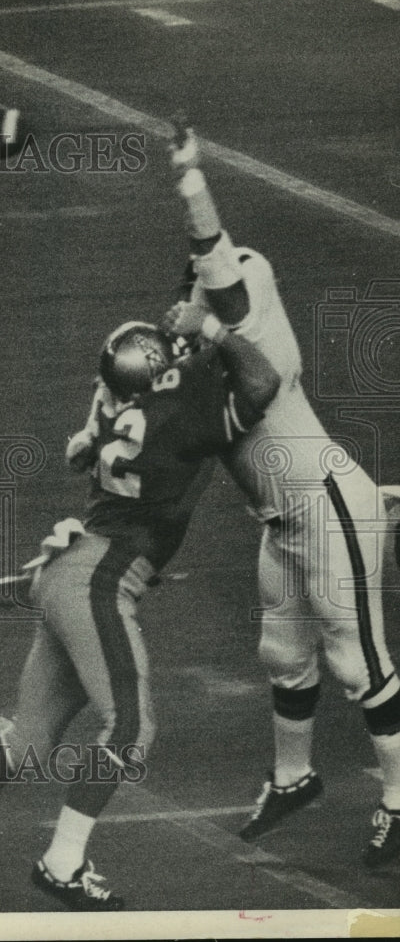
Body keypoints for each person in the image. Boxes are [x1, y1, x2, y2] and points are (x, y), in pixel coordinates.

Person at [0, 312, 281, 910]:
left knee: (31, 736)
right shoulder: (179, 412)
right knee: (131, 729)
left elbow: (92, 441)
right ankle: (62, 862)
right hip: (99, 580)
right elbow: (262, 382)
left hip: (70, 567)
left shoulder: (119, 409)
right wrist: (215, 332)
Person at [165, 125, 400, 867]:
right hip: (285, 520)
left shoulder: (250, 329)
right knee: (282, 654)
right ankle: (293, 775)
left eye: (211, 294)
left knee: (358, 661)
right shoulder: (225, 332)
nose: (199, 298)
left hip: (327, 506)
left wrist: (190, 177)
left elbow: (215, 270)